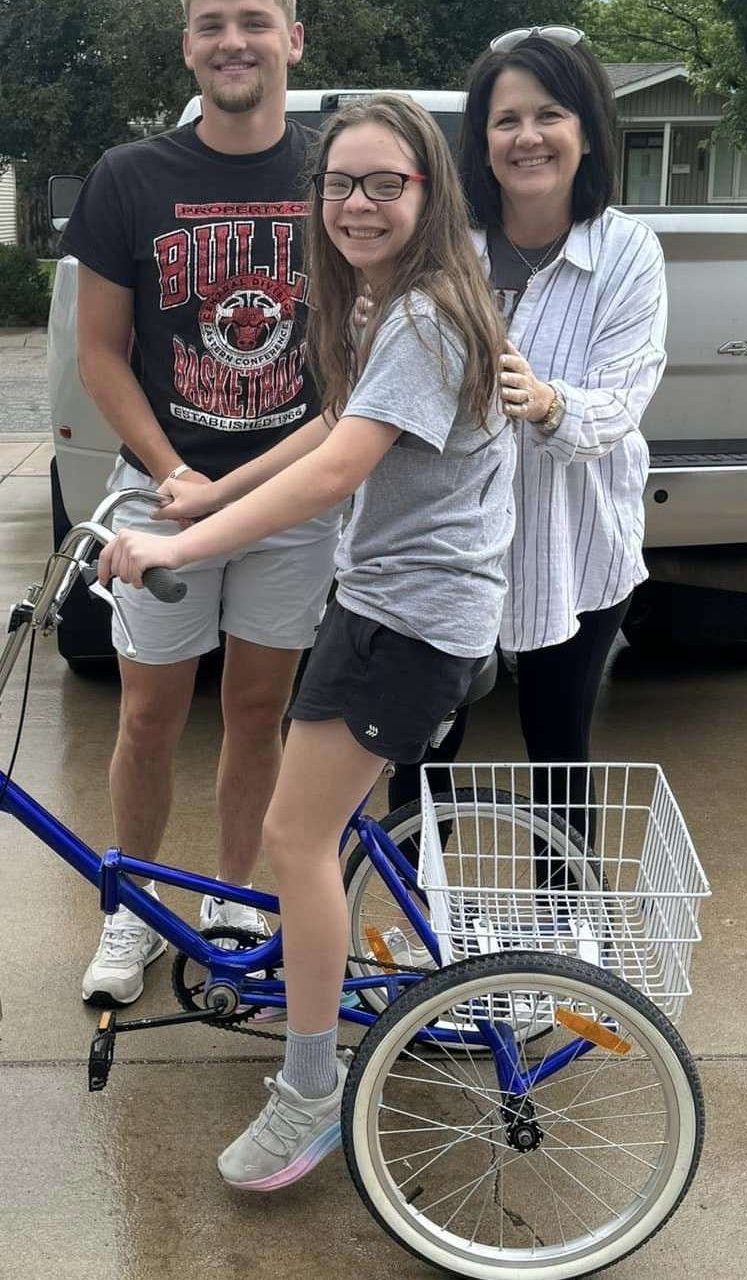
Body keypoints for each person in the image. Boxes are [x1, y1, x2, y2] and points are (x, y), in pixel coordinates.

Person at [99, 92, 516, 1190]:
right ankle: (322, 995)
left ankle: (311, 1088)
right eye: (338, 185)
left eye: (384, 184)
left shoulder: (425, 315)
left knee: (294, 836)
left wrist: (175, 547)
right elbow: (335, 424)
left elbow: (336, 471)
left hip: (410, 619)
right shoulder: (394, 302)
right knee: (313, 826)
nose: (357, 204)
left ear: (428, 191)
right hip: (390, 603)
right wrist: (203, 497)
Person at [60, 0, 338, 1007]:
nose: (234, 41)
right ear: (187, 47)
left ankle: (229, 899)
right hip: (162, 493)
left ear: (292, 40)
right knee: (147, 714)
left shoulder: (332, 176)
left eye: (255, 22)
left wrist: (255, 486)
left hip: (290, 496)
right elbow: (100, 354)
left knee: (259, 709)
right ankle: (132, 905)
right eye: (213, 24)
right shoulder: (130, 177)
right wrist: (174, 469)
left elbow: (359, 356)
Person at [385, 26, 669, 850]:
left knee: (558, 743)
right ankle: (415, 909)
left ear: (587, 130)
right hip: (445, 543)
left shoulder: (628, 252)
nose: (528, 137)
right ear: (482, 139)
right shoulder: (443, 244)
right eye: (506, 120)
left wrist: (547, 403)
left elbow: (623, 398)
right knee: (422, 745)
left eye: (550, 115)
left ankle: (564, 912)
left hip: (573, 544)